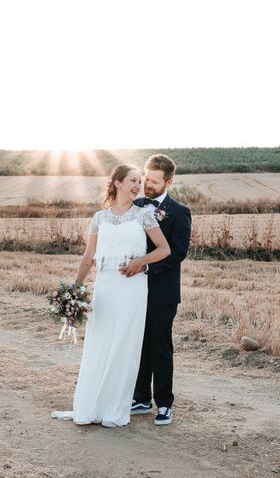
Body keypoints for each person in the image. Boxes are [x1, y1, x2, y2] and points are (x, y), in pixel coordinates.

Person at [55, 164, 170, 428]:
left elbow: (164, 249)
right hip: (105, 287)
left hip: (132, 288)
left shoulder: (144, 216)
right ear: (117, 182)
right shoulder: (100, 218)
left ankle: (114, 410)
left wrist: (141, 262)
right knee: (100, 343)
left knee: (124, 346)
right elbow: (88, 257)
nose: (137, 186)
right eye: (132, 180)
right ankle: (91, 405)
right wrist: (74, 290)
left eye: (139, 182)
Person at [120, 154, 192, 426]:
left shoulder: (179, 211)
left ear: (169, 182)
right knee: (139, 343)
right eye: (146, 178)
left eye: (154, 181)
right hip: (133, 289)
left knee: (160, 346)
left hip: (163, 291)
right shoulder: (134, 206)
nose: (147, 185)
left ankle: (164, 403)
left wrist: (146, 268)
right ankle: (140, 397)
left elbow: (178, 253)